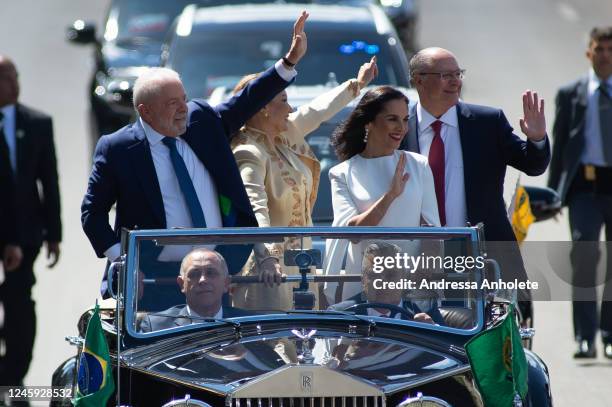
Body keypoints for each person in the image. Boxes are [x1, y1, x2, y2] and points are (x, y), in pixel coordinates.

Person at [81, 11, 309, 298]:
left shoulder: (200, 120)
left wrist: (288, 63)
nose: (182, 109)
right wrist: (123, 262)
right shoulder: (117, 149)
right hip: (154, 279)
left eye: (184, 99)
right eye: (172, 103)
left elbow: (246, 100)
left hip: (219, 273)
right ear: (145, 112)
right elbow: (93, 213)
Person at [401, 47, 550, 309]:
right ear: (419, 79)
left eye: (458, 74)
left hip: (481, 255)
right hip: (416, 259)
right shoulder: (398, 127)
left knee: (497, 339)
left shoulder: (486, 122)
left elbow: (532, 165)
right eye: (445, 75)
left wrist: (536, 138)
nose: (456, 81)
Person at [230, 56, 378, 310]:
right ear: (265, 107)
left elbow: (317, 111)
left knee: (305, 344)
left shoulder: (281, 136)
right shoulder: (249, 151)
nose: (290, 110)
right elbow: (256, 210)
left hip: (302, 265)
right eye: (284, 102)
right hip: (268, 274)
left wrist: (357, 84)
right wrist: (268, 259)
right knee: (277, 346)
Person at [323, 86, 440, 302]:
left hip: (411, 290)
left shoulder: (419, 165)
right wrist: (390, 196)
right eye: (392, 119)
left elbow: (433, 234)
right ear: (369, 122)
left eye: (405, 120)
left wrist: (416, 284)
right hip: (362, 289)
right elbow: (353, 233)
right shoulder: (341, 173)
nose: (401, 128)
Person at [548, 26, 612, 359]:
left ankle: (610, 333)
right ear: (589, 52)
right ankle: (585, 337)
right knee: (585, 258)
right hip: (585, 188)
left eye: (609, 49)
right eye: (599, 49)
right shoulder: (572, 93)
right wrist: (553, 193)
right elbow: (561, 146)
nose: (604, 55)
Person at [0, 55, 62, 390]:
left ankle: (14, 372)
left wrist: (54, 233)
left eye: (15, 76)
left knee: (18, 298)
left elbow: (48, 181)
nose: (14, 84)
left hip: (25, 231)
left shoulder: (37, 123)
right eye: (5, 78)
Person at [329, 242, 443, 325]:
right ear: (363, 280)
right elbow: (329, 356)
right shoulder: (339, 315)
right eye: (375, 275)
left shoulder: (426, 308)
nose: (382, 282)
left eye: (390, 275)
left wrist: (432, 332)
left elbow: (449, 351)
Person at [139, 248, 249, 332]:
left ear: (226, 283)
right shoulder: (155, 327)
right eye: (194, 274)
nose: (202, 280)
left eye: (211, 273)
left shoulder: (249, 324)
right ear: (182, 284)